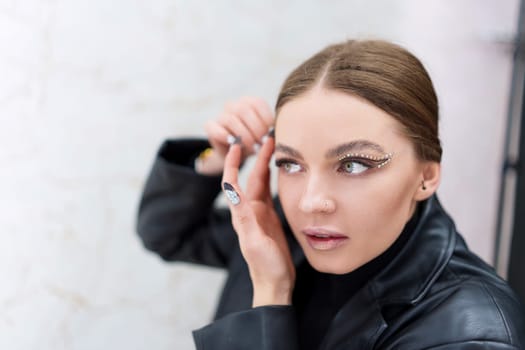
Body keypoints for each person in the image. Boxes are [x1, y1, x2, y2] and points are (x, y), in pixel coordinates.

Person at [136, 40, 525, 349]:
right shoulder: (282, 230)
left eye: (353, 165)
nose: (310, 202)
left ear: (426, 175)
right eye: (290, 164)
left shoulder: (472, 334)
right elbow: (168, 234)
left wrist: (271, 296)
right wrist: (214, 158)